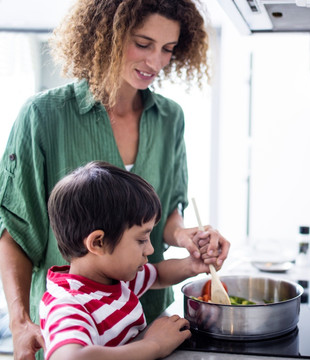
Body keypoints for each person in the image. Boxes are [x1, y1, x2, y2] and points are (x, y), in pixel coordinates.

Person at [0, 0, 230, 359]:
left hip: (149, 321)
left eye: (168, 49)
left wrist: (186, 237)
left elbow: (168, 211)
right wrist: (19, 322)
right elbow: (15, 230)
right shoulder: (43, 116)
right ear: (106, 35)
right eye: (143, 44)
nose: (155, 63)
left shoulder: (170, 118)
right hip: (76, 329)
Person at [41, 161, 205, 360]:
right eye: (141, 239)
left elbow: (159, 275)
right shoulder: (67, 303)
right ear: (98, 243)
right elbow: (70, 358)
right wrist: (153, 345)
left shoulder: (114, 279)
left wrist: (193, 264)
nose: (151, 249)